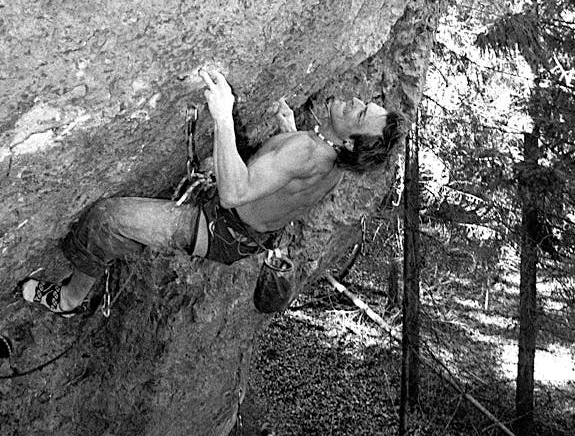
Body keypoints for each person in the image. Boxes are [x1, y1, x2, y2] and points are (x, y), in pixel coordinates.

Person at [20, 68, 400, 317]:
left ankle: (71, 299)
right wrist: (289, 131)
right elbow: (291, 181)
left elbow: (236, 192)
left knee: (105, 219)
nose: (354, 101)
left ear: (351, 143)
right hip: (240, 234)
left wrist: (222, 115)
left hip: (216, 224)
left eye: (360, 112)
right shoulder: (333, 165)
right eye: (365, 104)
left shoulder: (306, 151)